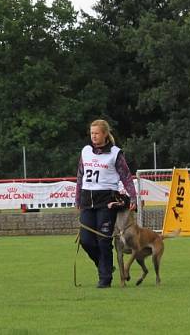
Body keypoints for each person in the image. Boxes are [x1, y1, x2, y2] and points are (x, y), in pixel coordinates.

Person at [76, 119, 137, 288]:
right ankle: (105, 266)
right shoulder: (86, 151)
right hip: (88, 200)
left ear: (104, 134)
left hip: (106, 201)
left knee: (103, 240)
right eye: (91, 133)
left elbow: (126, 176)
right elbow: (80, 175)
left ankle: (105, 278)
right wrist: (77, 197)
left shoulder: (115, 153)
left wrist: (133, 197)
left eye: (96, 133)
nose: (93, 136)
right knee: (86, 240)